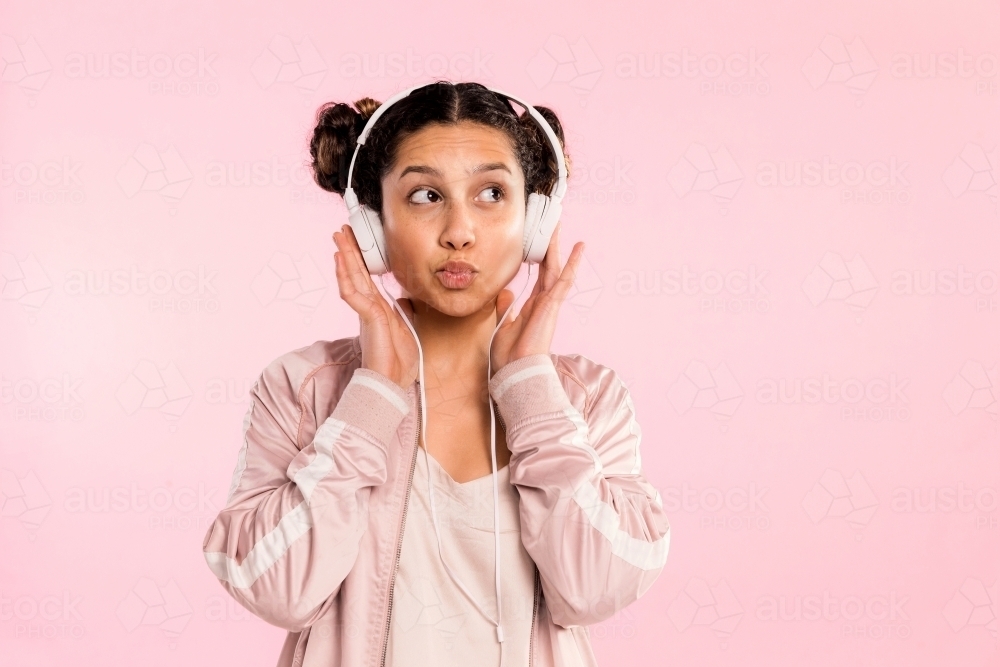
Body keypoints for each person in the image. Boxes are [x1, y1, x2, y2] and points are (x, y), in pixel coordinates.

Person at [201, 81, 671, 667]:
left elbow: (597, 586)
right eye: (425, 195)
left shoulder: (588, 399)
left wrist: (532, 394)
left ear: (535, 221)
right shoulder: (303, 389)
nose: (459, 231)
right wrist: (371, 398)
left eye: (492, 193)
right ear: (374, 224)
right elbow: (277, 590)